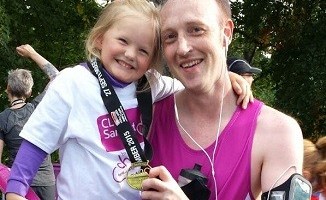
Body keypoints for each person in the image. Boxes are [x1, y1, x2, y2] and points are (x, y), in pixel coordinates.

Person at [5, 1, 252, 200]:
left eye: (144, 50)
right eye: (123, 41)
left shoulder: (151, 84)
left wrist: (226, 78)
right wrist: (15, 189)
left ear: (153, 59)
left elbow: (194, 85)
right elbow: (36, 144)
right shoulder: (72, 84)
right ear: (100, 39)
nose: (130, 54)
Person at [141, 0, 304, 199]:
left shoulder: (276, 132)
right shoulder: (145, 116)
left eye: (196, 30)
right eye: (170, 37)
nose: (182, 48)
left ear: (226, 32)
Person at [0, 44, 59, 200]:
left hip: (17, 184)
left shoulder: (2, 119)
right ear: (30, 92)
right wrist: (32, 53)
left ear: (7, 89)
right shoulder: (38, 108)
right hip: (46, 182)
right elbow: (57, 78)